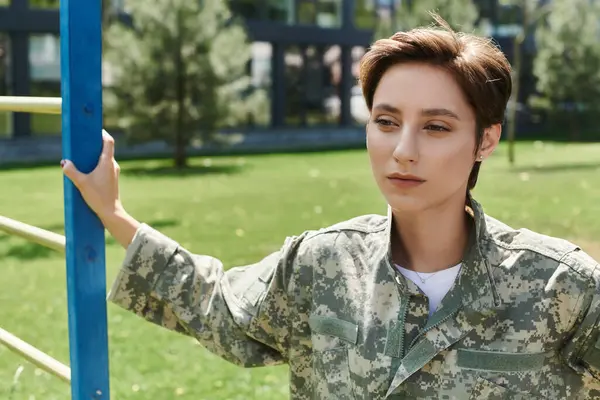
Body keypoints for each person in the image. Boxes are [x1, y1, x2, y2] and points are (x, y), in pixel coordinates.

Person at [61, 16, 600, 400]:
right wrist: (115, 215)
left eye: (436, 127)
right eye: (386, 122)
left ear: (485, 140)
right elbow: (219, 308)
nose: (403, 149)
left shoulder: (562, 287)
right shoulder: (321, 264)